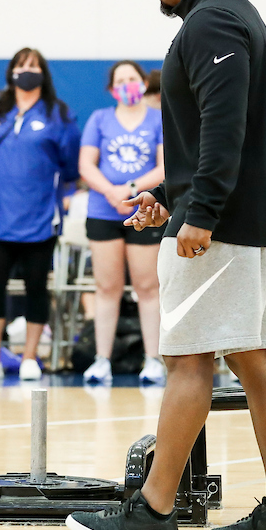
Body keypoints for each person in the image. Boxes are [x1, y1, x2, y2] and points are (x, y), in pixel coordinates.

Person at [67, 0, 266, 530]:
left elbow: (226, 129)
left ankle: (153, 512)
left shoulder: (214, 20)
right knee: (256, 360)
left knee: (187, 358)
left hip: (229, 224)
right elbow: (216, 136)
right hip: (255, 215)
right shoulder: (230, 13)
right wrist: (174, 199)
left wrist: (198, 214)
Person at [0, 48, 78, 383]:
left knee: (36, 287)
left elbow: (70, 163)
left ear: (43, 73)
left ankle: (30, 356)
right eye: (20, 66)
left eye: (33, 66)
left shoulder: (58, 113)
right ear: (11, 72)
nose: (26, 71)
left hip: (41, 216)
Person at [78, 59, 165, 384]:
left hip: (143, 211)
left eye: (133, 77)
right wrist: (111, 193)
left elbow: (164, 165)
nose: (128, 83)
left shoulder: (158, 118)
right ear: (112, 88)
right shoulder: (99, 119)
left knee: (147, 286)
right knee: (107, 287)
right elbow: (86, 164)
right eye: (121, 79)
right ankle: (102, 360)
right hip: (103, 212)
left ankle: (152, 360)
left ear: (143, 83)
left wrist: (130, 189)